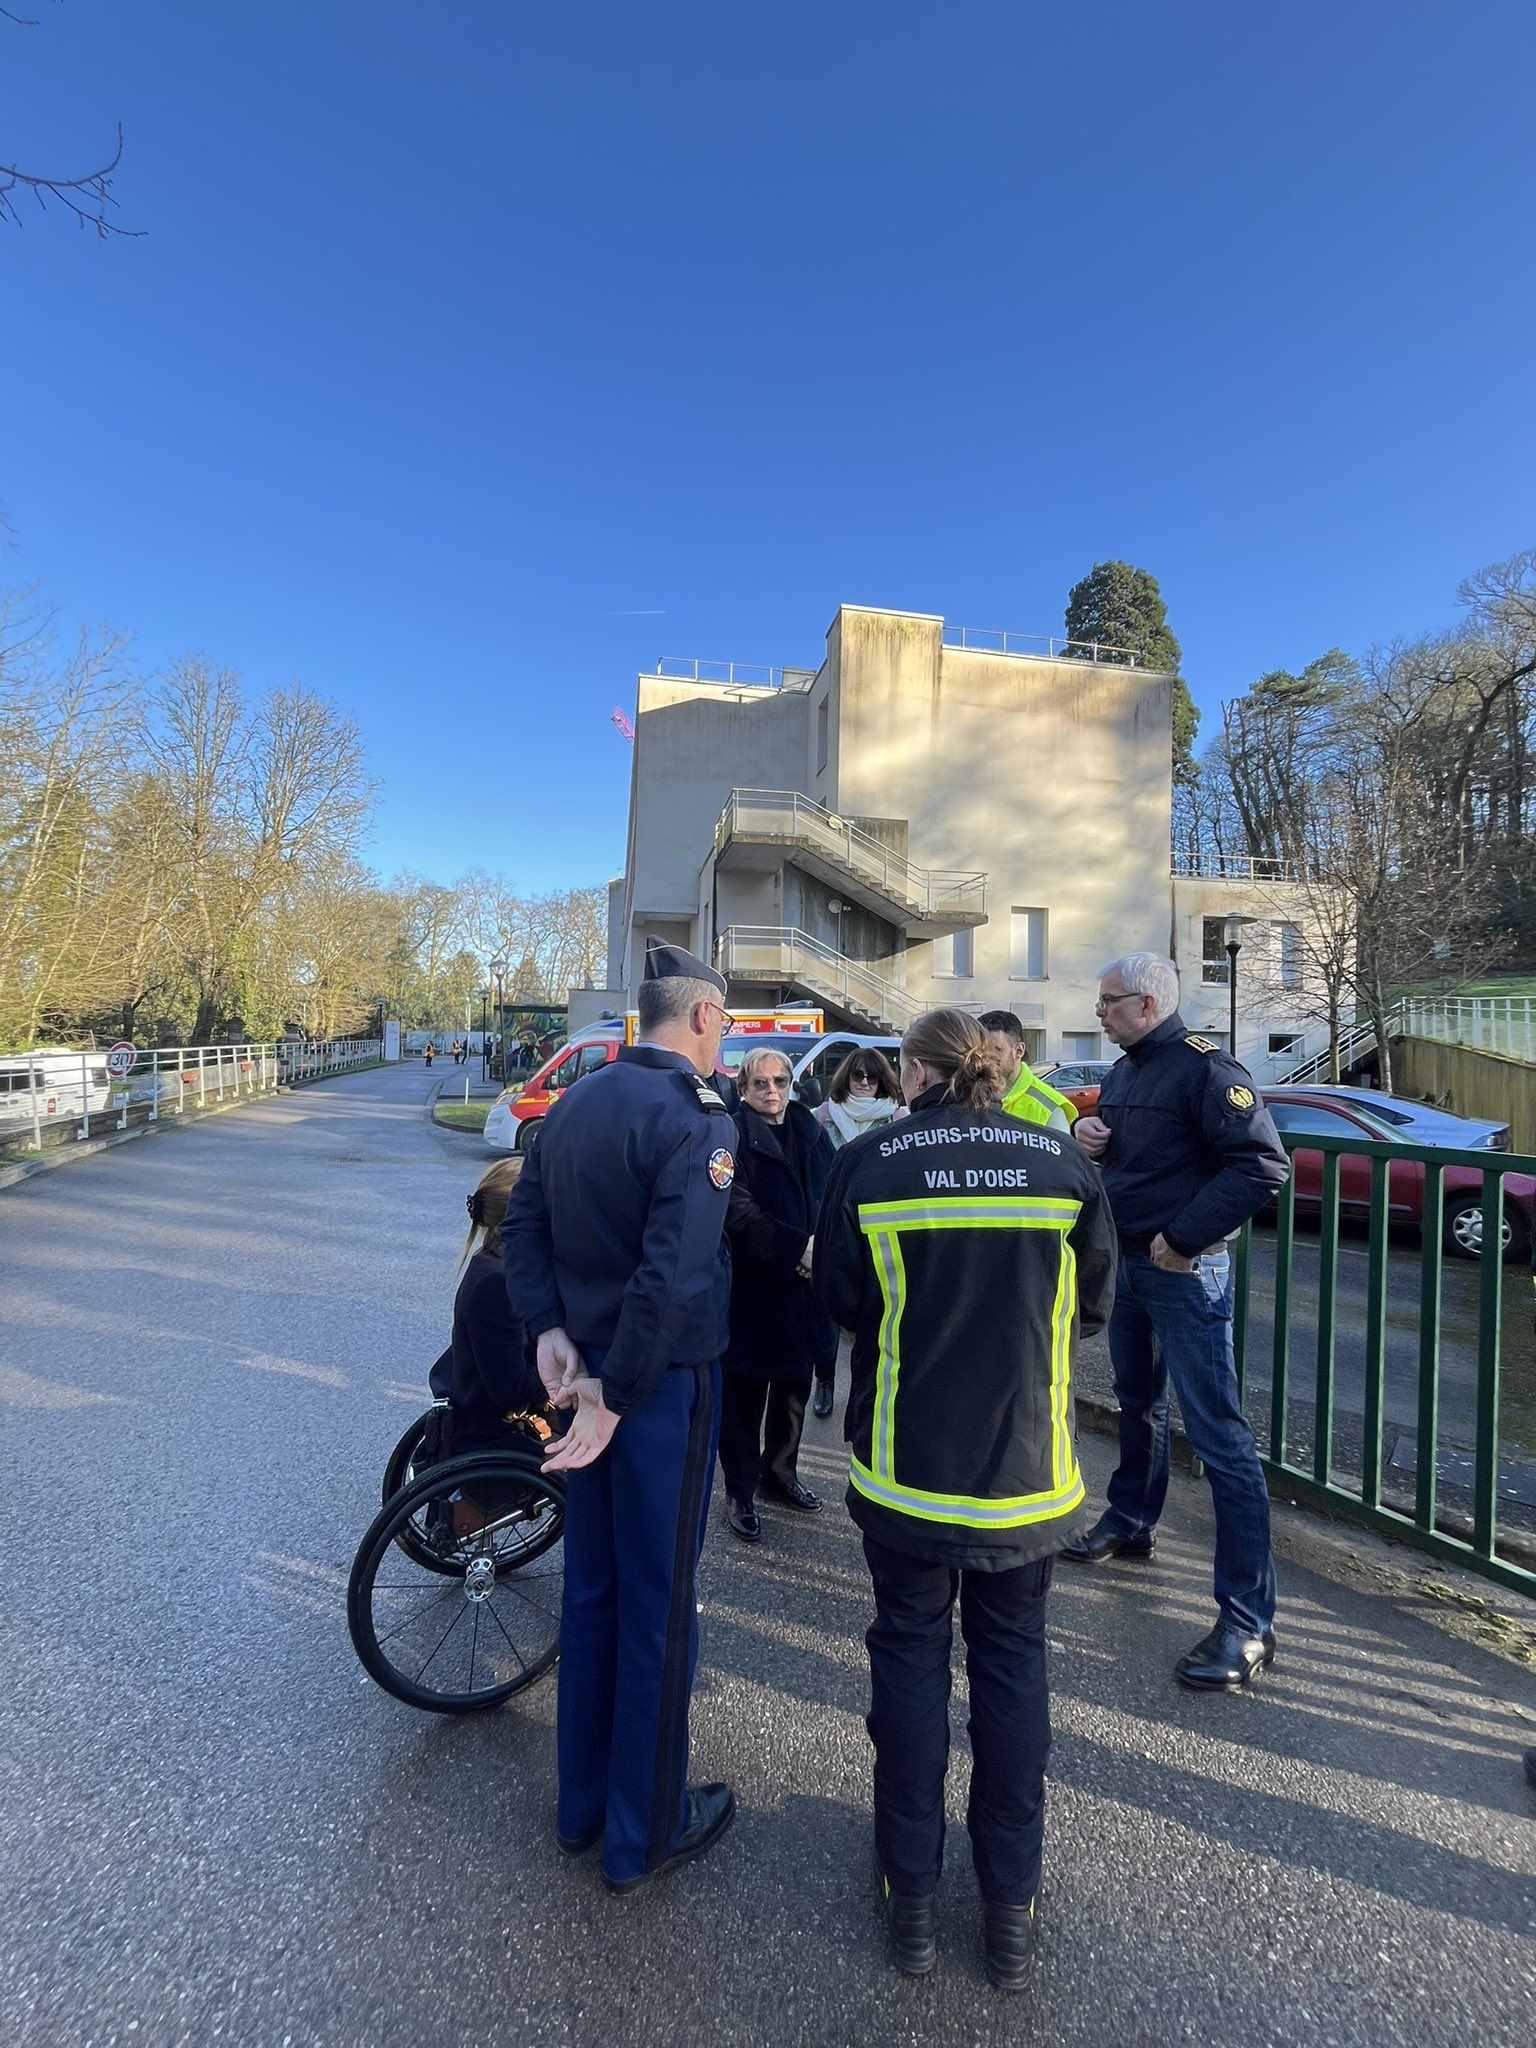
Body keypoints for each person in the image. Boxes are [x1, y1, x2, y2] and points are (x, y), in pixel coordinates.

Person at [814, 1007, 1116, 1989]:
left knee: (907, 1666)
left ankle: (910, 1897)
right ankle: (1008, 1906)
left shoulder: (875, 1162)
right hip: (1028, 1475)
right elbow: (1096, 1302)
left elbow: (846, 1301)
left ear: (914, 1070)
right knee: (1013, 1671)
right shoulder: (1060, 1159)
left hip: (907, 1471)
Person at [502, 938, 738, 1895]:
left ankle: (581, 1809)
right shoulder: (698, 1120)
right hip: (648, 1393)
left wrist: (548, 1331)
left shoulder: (579, 1098)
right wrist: (617, 1391)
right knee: (656, 1606)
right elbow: (674, 1274)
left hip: (586, 1377)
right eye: (727, 1026)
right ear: (704, 1018)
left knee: (592, 1590)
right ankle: (643, 1834)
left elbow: (523, 1225)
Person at [1065, 951, 1290, 1692]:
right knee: (1138, 1402)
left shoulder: (1207, 1069)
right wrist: (1094, 1137)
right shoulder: (1129, 1070)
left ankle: (1249, 1623)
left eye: (1108, 1001)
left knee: (1220, 1440)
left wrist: (1184, 1238)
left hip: (1185, 1271)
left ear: (1149, 1003)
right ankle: (1132, 1520)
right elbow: (1141, 1157)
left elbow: (1261, 1166)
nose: (1098, 1012)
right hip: (1132, 1263)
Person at [719, 1045, 838, 1542]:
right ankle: (741, 1491)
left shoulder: (810, 1129)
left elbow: (835, 1193)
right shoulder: (731, 1135)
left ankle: (780, 1473)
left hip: (805, 1292)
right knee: (743, 1401)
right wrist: (798, 1249)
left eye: (781, 1082)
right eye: (761, 1083)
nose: (772, 1092)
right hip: (753, 1291)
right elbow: (736, 1213)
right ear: (744, 1089)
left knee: (793, 1392)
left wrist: (827, 1249)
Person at [427, 1156, 545, 1455]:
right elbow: (511, 1390)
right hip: (491, 1434)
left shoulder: (495, 1262)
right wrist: (565, 1376)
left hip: (488, 1418)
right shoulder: (496, 1284)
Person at [809, 1048, 902, 1417]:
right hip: (833, 1219)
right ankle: (825, 1379)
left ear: (883, 1082)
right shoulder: (824, 1116)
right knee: (828, 1305)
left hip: (879, 1223)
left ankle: (868, 1390)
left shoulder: (897, 1118)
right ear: (845, 1078)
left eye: (872, 1077)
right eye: (856, 1076)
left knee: (876, 1310)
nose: (863, 1083)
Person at [976, 1011, 1077, 1131]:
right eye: (980, 1050)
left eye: (997, 1050)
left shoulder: (1049, 1108)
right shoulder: (967, 1095)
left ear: (1019, 1051)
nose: (986, 1058)